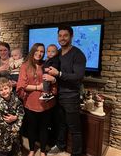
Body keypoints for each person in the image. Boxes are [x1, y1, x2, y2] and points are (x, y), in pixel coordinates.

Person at [47, 25, 86, 156]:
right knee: (61, 124)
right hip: (58, 95)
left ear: (71, 36)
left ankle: (77, 153)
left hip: (71, 97)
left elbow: (78, 76)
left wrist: (59, 74)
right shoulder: (57, 52)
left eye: (65, 35)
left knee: (75, 129)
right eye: (60, 35)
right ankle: (60, 146)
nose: (62, 38)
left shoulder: (78, 54)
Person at [16, 43, 57, 156]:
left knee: (44, 128)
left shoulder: (47, 64)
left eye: (42, 51)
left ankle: (43, 150)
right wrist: (38, 87)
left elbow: (54, 80)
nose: (39, 53)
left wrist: (53, 80)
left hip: (46, 102)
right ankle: (32, 149)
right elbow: (22, 85)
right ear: (32, 51)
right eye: (37, 50)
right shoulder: (25, 66)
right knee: (32, 128)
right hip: (31, 102)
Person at [0, 77, 24, 156]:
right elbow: (0, 121)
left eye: (5, 88)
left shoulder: (17, 101)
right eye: (1, 90)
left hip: (16, 133)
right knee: (4, 153)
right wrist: (11, 129)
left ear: (10, 88)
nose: (4, 91)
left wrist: (16, 124)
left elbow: (21, 114)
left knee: (16, 151)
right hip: (3, 135)